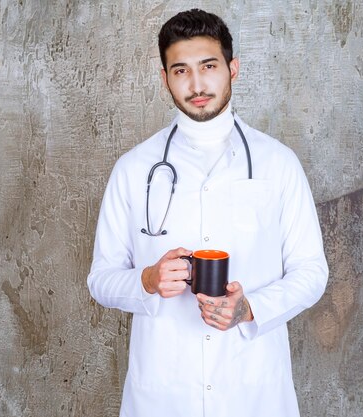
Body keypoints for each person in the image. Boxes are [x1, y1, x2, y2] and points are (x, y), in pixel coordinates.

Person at [87, 8, 328, 417]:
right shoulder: (134, 169)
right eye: (180, 71)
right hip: (164, 392)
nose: (196, 84)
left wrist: (250, 309)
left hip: (252, 391)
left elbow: (312, 272)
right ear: (164, 78)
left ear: (233, 69)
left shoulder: (278, 164)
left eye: (209, 66)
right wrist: (146, 280)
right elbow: (101, 280)